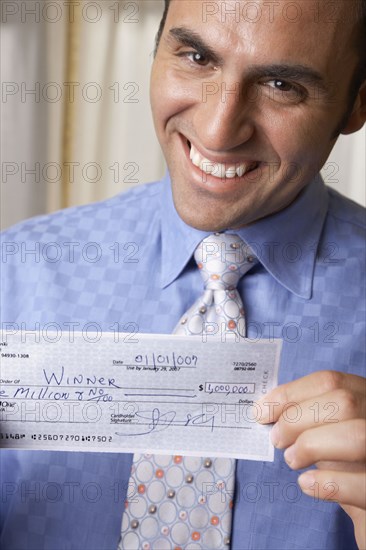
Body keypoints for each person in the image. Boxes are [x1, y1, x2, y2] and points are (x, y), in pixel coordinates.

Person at [1, 0, 365, 548]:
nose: (219, 131)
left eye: (282, 86)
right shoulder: (15, 270)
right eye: (196, 56)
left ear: (356, 105)